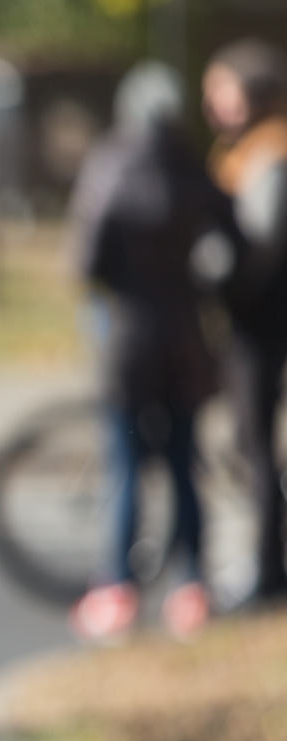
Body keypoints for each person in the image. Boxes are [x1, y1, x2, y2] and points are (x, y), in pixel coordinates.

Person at [68, 63, 232, 641]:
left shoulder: (110, 164)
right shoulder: (192, 167)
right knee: (186, 466)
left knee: (127, 464)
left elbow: (86, 259)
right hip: (185, 334)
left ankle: (118, 586)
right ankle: (192, 586)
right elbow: (229, 241)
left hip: (130, 337)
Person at [205, 40, 287, 608]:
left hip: (262, 321)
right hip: (259, 317)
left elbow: (264, 244)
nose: (211, 103)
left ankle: (266, 569)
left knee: (255, 442)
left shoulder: (268, 155)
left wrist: (224, 285)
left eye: (220, 90)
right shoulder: (249, 151)